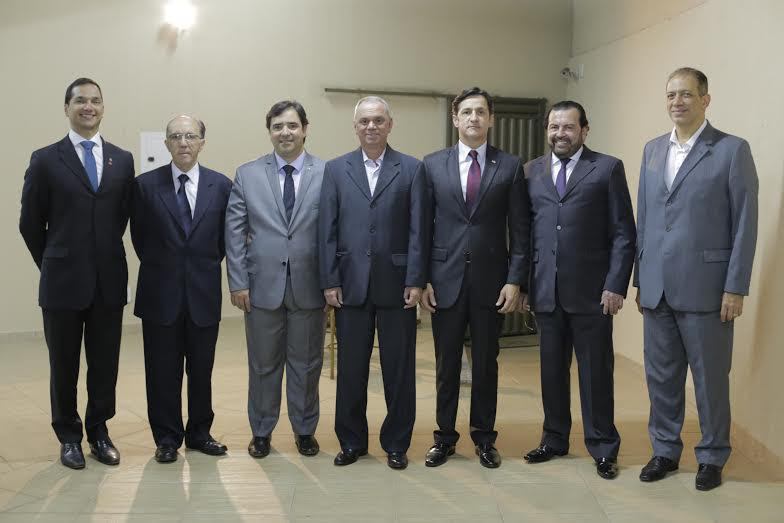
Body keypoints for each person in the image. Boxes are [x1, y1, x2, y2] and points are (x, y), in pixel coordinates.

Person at [635, 67, 758, 491]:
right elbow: (646, 220)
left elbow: (745, 223)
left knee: (708, 379)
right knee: (662, 378)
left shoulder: (730, 150)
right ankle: (665, 451)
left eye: (686, 94)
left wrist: (735, 286)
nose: (677, 102)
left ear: (706, 99)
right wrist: (641, 277)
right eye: (671, 95)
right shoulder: (652, 151)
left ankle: (711, 457)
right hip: (657, 289)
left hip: (709, 289)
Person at [19, 77, 134, 469]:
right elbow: (30, 223)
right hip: (62, 282)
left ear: (104, 108)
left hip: (108, 282)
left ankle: (99, 432)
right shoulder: (46, 159)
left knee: (105, 364)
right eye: (80, 101)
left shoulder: (122, 159)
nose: (89, 106)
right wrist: (53, 259)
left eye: (96, 100)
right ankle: (68, 436)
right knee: (63, 365)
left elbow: (119, 217)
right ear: (66, 108)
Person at [521, 101, 636, 479]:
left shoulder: (606, 168)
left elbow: (623, 233)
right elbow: (525, 235)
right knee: (551, 372)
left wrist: (615, 284)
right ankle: (554, 439)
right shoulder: (531, 172)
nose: (560, 134)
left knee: (595, 373)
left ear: (585, 130)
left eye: (568, 127)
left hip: (593, 294)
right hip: (546, 292)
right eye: (554, 127)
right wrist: (523, 285)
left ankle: (603, 446)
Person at [420, 87, 529, 469]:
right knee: (446, 364)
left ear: (491, 119)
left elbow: (521, 229)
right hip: (443, 281)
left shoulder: (510, 166)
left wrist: (515, 280)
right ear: (455, 119)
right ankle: (444, 437)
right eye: (466, 112)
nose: (473, 119)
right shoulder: (432, 165)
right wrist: (422, 279)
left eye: (480, 112)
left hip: (491, 283)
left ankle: (484, 438)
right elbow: (421, 228)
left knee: (486, 364)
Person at [318, 96, 426, 470]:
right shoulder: (335, 169)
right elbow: (326, 230)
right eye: (364, 121)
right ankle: (351, 441)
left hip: (398, 286)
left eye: (378, 120)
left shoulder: (411, 169)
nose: (371, 127)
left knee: (399, 370)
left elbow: (418, 230)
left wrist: (416, 277)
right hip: (349, 286)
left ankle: (396, 443)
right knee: (351, 370)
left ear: (390, 125)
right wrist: (329, 279)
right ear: (355, 126)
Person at [225, 101, 326, 459]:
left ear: (305, 128)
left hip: (310, 288)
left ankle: (304, 430)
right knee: (263, 365)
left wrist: (332, 282)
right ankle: (262, 431)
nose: (286, 132)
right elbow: (234, 232)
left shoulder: (326, 173)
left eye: (292, 125)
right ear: (269, 131)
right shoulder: (248, 174)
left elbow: (334, 234)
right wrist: (238, 282)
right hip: (260, 288)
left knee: (307, 364)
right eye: (278, 126)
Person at [131, 115, 232, 463]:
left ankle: (200, 433)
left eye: (191, 136)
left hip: (203, 294)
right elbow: (140, 240)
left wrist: (196, 269)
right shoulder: (145, 186)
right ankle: (167, 438)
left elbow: (222, 242)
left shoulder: (221, 186)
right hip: (159, 295)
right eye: (176, 136)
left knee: (201, 370)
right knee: (162, 371)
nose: (184, 142)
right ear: (167, 143)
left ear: (203, 142)